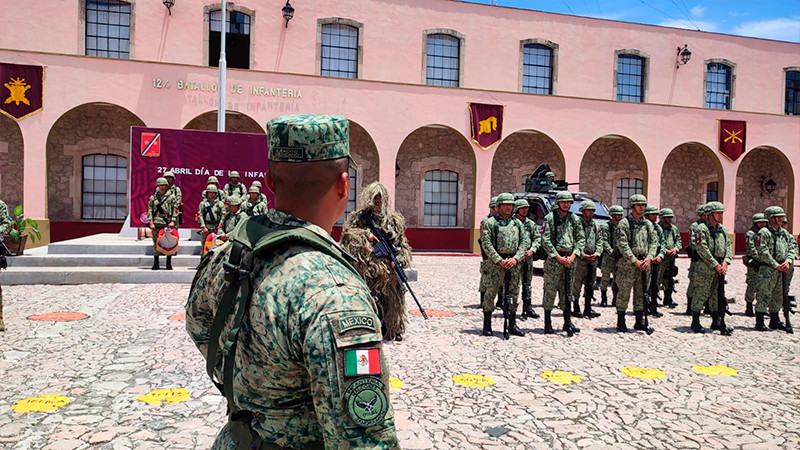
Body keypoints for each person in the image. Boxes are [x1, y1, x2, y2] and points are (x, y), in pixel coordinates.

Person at [185, 114, 398, 449]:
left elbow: (199, 326)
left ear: (270, 181)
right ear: (344, 184)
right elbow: (362, 440)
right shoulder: (335, 294)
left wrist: (257, 380)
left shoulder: (227, 255)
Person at [340, 181, 412, 342]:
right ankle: (366, 327)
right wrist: (366, 236)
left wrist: (400, 260)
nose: (377, 205)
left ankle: (394, 328)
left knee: (394, 301)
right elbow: (347, 237)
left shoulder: (394, 220)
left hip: (389, 271)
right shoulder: (358, 219)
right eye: (375, 201)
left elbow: (403, 245)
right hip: (367, 269)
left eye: (380, 201)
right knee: (367, 300)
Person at [480, 193, 530, 337]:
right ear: (498, 206)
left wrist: (516, 258)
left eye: (511, 205)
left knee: (514, 293)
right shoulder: (490, 223)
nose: (508, 207)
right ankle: (487, 324)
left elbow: (524, 242)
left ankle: (512, 324)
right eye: (505, 204)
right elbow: (486, 243)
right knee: (491, 293)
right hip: (496, 264)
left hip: (513, 263)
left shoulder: (518, 224)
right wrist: (498, 260)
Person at [540, 190, 585, 336]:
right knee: (550, 290)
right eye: (563, 202)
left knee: (568, 291)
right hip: (555, 260)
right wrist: (556, 256)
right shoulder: (550, 218)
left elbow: (581, 238)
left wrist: (573, 255)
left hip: (570, 260)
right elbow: (545, 239)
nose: (566, 204)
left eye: (568, 202)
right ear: (558, 203)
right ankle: (548, 322)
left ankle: (567, 321)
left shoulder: (574, 219)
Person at [615, 194, 657, 333]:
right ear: (632, 207)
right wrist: (634, 260)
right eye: (639, 205)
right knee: (624, 293)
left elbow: (653, 242)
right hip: (628, 265)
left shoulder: (648, 224)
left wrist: (649, 257)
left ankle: (640, 321)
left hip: (644, 263)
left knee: (641, 293)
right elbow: (622, 244)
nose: (641, 207)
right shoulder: (625, 223)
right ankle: (621, 321)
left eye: (643, 205)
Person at [690, 201, 733, 335]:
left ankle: (717, 320)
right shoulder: (701, 229)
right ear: (709, 215)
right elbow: (702, 248)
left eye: (721, 213)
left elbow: (728, 247)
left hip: (720, 266)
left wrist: (725, 262)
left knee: (717, 295)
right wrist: (715, 264)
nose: (720, 215)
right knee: (701, 293)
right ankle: (695, 321)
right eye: (717, 213)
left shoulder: (722, 229)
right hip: (705, 267)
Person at [755, 206, 796, 333]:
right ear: (770, 218)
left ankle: (775, 319)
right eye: (778, 216)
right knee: (764, 293)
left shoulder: (784, 233)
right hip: (769, 268)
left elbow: (793, 247)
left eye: (781, 216)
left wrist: (788, 261)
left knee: (779, 294)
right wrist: (775, 264)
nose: (781, 219)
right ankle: (760, 320)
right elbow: (762, 251)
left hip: (784, 268)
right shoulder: (764, 233)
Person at [572, 199, 602, 319]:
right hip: (580, 259)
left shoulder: (595, 225)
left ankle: (588, 308)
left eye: (592, 210)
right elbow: (574, 241)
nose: (591, 212)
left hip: (592, 259)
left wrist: (597, 253)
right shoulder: (577, 224)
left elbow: (600, 240)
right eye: (588, 210)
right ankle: (575, 307)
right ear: (582, 211)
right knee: (576, 284)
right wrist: (582, 254)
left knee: (590, 284)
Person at [514, 199, 541, 320]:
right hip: (515, 259)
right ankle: (511, 308)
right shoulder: (512, 223)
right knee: (513, 284)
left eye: (526, 208)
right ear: (517, 210)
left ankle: (527, 307)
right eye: (522, 208)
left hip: (528, 258)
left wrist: (532, 250)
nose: (525, 210)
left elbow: (537, 238)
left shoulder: (531, 224)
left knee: (527, 284)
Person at [147, 177, 178, 271]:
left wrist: (173, 221)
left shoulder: (171, 197)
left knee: (169, 243)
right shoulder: (153, 198)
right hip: (156, 223)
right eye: (161, 185)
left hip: (167, 223)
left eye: (164, 185)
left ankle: (168, 264)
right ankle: (156, 263)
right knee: (156, 244)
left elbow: (175, 210)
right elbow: (150, 210)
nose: (162, 187)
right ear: (158, 186)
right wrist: (151, 222)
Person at [685, 204, 709, 315]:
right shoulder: (695, 226)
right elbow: (693, 242)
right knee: (694, 281)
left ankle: (707, 305)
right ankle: (690, 305)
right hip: (698, 259)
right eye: (705, 214)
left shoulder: (711, 226)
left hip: (709, 260)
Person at [743, 213, 768, 317]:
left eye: (764, 222)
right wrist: (759, 259)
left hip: (764, 263)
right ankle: (749, 306)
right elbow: (751, 248)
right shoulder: (750, 234)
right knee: (752, 285)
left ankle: (761, 307)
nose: (762, 224)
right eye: (760, 222)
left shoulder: (765, 233)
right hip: (754, 263)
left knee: (763, 287)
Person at [599, 205, 624, 307]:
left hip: (619, 256)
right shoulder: (606, 226)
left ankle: (615, 299)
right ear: (613, 215)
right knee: (605, 277)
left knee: (617, 279)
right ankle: (603, 298)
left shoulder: (622, 226)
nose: (620, 216)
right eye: (618, 214)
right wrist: (611, 251)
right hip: (608, 256)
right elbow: (603, 241)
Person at [657, 208, 681, 309]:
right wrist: (665, 251)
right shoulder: (657, 228)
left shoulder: (673, 228)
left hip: (671, 258)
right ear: (662, 218)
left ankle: (668, 298)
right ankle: (653, 298)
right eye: (668, 217)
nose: (670, 219)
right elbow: (656, 241)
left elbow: (678, 240)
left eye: (671, 217)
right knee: (657, 278)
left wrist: (675, 249)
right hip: (661, 258)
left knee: (669, 279)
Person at [643, 205, 664, 318]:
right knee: (645, 284)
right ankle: (643, 308)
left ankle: (653, 307)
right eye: (653, 214)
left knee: (655, 284)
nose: (655, 216)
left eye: (656, 214)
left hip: (657, 259)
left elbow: (663, 243)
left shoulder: (658, 228)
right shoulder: (643, 227)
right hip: (647, 259)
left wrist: (660, 255)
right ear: (646, 215)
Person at [478, 197, 498, 308]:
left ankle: (500, 300)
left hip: (498, 253)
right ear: (492, 208)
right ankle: (483, 300)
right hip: (488, 254)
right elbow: (483, 239)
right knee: (486, 277)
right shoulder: (486, 221)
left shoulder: (501, 221)